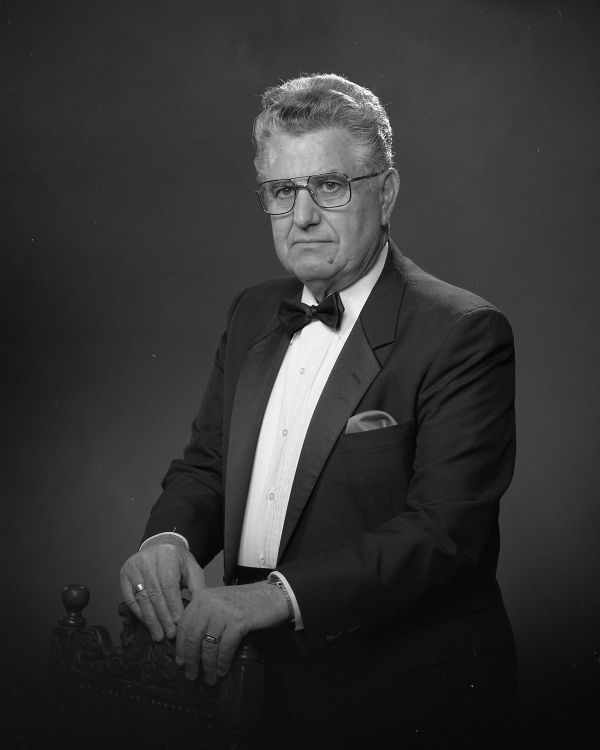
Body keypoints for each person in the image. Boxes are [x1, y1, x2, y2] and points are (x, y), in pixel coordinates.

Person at [120, 73, 517, 748]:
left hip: (402, 695)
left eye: (329, 185)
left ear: (386, 193)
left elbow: (444, 531)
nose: (302, 215)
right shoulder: (252, 311)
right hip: (252, 681)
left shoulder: (462, 331)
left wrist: (274, 596)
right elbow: (209, 464)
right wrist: (168, 540)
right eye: (281, 190)